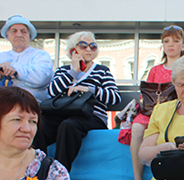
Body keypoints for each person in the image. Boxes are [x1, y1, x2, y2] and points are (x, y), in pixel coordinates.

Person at [32, 31, 121, 172]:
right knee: (40, 125)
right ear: (74, 50)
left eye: (93, 46)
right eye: (83, 45)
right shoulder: (63, 71)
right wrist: (73, 71)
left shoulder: (102, 70)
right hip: (61, 115)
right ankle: (39, 170)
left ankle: (60, 173)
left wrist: (88, 89)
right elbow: (51, 92)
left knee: (68, 126)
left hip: (91, 116)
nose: (89, 49)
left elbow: (115, 98)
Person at [129, 25, 184, 180]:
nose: (171, 45)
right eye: (166, 41)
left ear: (183, 45)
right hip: (154, 113)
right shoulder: (155, 70)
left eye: (176, 41)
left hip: (177, 112)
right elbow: (148, 96)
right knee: (137, 127)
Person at [0, 15, 53, 102]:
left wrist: (13, 67)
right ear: (7, 36)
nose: (19, 35)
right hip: (3, 106)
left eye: (23, 31)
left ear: (30, 36)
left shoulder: (40, 55)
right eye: (14, 31)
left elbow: (41, 78)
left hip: (32, 106)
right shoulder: (1, 56)